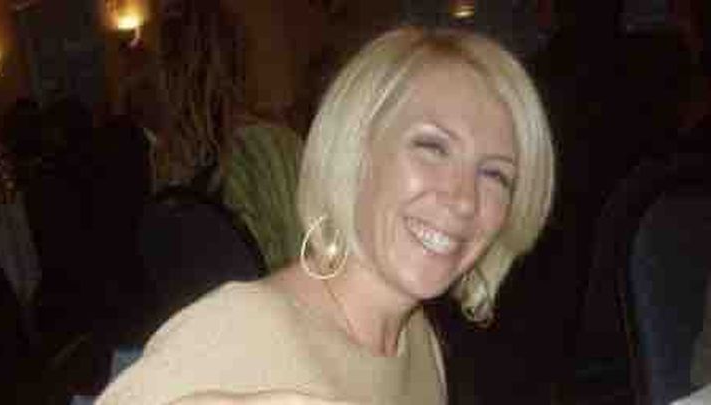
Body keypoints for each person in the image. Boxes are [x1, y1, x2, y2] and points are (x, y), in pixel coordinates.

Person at [96, 26, 555, 404]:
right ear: (358, 150)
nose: (464, 199)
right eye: (432, 147)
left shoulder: (417, 340)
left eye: (495, 174)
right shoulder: (242, 335)